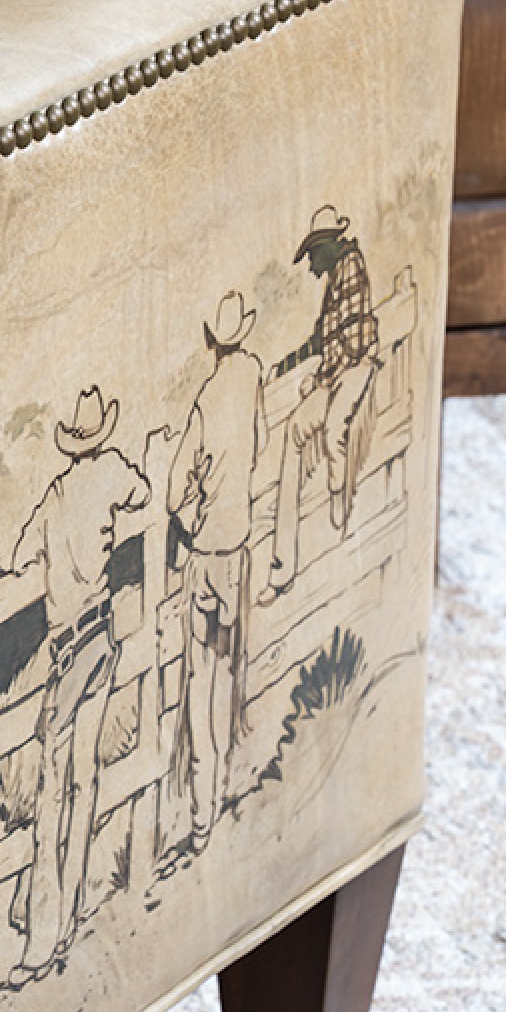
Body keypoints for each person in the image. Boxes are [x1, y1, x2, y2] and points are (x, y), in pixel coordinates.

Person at [9, 389, 150, 977]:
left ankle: (43, 936)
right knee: (83, 781)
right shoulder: (112, 471)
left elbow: (21, 558)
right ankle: (63, 918)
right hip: (101, 638)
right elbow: (142, 493)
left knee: (53, 792)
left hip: (69, 648)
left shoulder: (55, 496)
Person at [167, 292, 265, 853]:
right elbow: (262, 442)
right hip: (239, 550)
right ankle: (222, 793)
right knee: (227, 674)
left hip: (206, 556)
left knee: (199, 681)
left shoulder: (205, 399)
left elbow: (174, 491)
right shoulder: (253, 376)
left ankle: (202, 816)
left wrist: (191, 516)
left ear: (212, 340)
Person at [262, 206, 380, 598]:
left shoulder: (351, 266)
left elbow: (353, 341)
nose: (311, 267)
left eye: (313, 255)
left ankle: (339, 503)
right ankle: (282, 566)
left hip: (356, 368)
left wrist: (322, 380)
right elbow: (320, 339)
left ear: (328, 246)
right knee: (295, 430)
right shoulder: (334, 282)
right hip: (333, 375)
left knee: (333, 432)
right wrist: (286, 367)